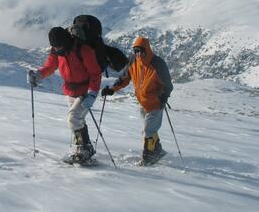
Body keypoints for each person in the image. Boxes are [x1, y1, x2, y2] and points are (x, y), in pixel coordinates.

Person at [28, 27, 102, 163]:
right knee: (78, 121)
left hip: (86, 90)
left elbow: (95, 73)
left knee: (73, 119)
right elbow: (50, 66)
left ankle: (84, 148)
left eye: (59, 46)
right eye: (54, 47)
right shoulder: (57, 50)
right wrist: (38, 74)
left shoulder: (83, 50)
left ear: (66, 41)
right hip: (69, 90)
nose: (57, 50)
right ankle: (84, 149)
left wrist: (92, 93)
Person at [102, 36, 173, 166]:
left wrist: (162, 96)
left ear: (147, 49)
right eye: (136, 51)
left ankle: (149, 157)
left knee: (148, 131)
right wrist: (112, 89)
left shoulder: (158, 64)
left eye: (141, 51)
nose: (139, 54)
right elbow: (124, 78)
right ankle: (157, 149)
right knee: (149, 129)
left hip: (156, 103)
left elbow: (168, 85)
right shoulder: (133, 61)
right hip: (142, 102)